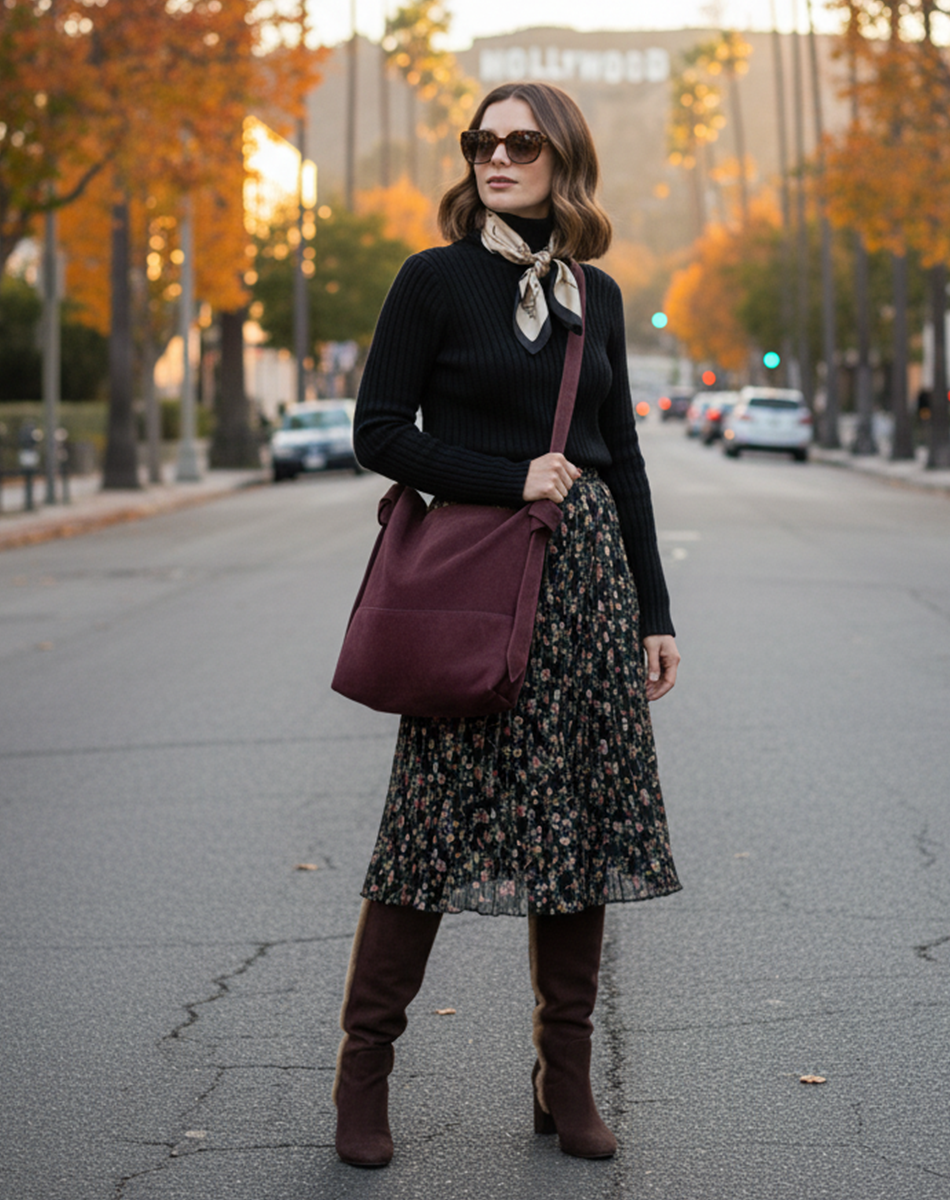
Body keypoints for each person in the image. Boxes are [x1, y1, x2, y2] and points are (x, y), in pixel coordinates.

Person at [333, 81, 682, 1169]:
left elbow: (618, 458)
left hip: (584, 592)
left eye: (520, 143)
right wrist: (502, 477)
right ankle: (363, 1075)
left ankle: (561, 1078)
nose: (496, 157)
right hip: (475, 588)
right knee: (427, 832)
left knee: (575, 833)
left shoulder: (598, 295)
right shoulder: (433, 281)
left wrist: (654, 612)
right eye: (481, 141)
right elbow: (380, 432)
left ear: (560, 159)